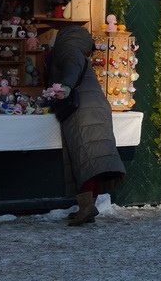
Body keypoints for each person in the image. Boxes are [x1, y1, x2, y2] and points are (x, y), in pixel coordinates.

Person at [47, 25, 126, 226]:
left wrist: (65, 87)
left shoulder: (68, 49)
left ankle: (86, 207)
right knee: (93, 159)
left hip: (83, 111)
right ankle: (86, 206)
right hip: (95, 108)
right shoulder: (78, 51)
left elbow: (72, 67)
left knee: (87, 160)